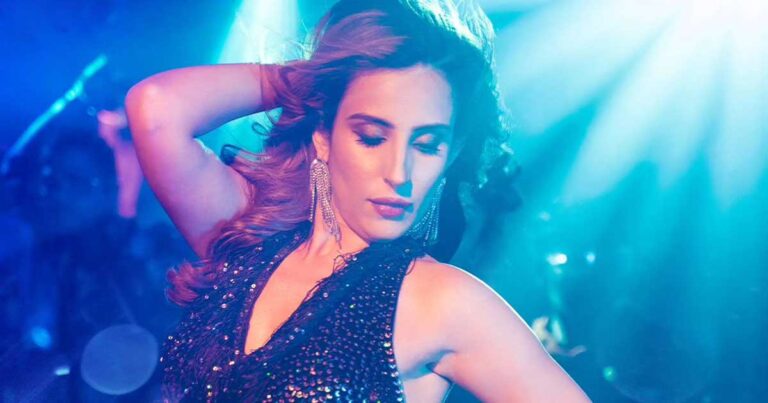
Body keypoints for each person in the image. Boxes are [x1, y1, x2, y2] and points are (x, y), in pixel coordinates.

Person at [126, 0, 590, 401]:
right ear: (323, 136)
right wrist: (325, 76)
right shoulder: (251, 238)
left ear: (451, 156)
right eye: (371, 136)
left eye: (427, 145)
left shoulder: (442, 300)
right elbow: (156, 107)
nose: (399, 173)